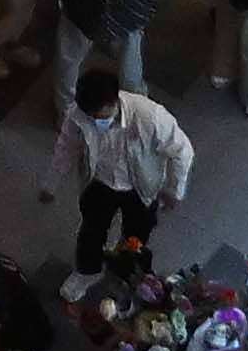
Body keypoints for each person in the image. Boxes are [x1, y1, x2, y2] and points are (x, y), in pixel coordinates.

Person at [64, 57, 190, 274]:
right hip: (100, 181)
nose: (96, 122)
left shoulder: (150, 116)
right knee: (91, 231)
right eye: (90, 117)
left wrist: (174, 189)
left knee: (136, 235)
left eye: (100, 116)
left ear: (114, 101)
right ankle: (86, 271)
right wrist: (51, 180)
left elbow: (182, 151)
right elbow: (65, 144)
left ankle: (127, 270)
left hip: (140, 187)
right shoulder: (80, 113)